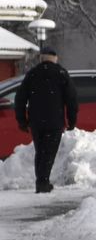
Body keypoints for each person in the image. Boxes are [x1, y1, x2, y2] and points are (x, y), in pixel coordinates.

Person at [13, 46, 78, 194]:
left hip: (36, 121)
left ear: (41, 58)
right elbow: (72, 99)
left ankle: (41, 181)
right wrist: (72, 120)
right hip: (55, 120)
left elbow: (20, 98)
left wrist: (22, 120)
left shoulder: (32, 74)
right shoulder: (61, 73)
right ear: (55, 58)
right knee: (49, 152)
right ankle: (42, 182)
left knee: (40, 151)